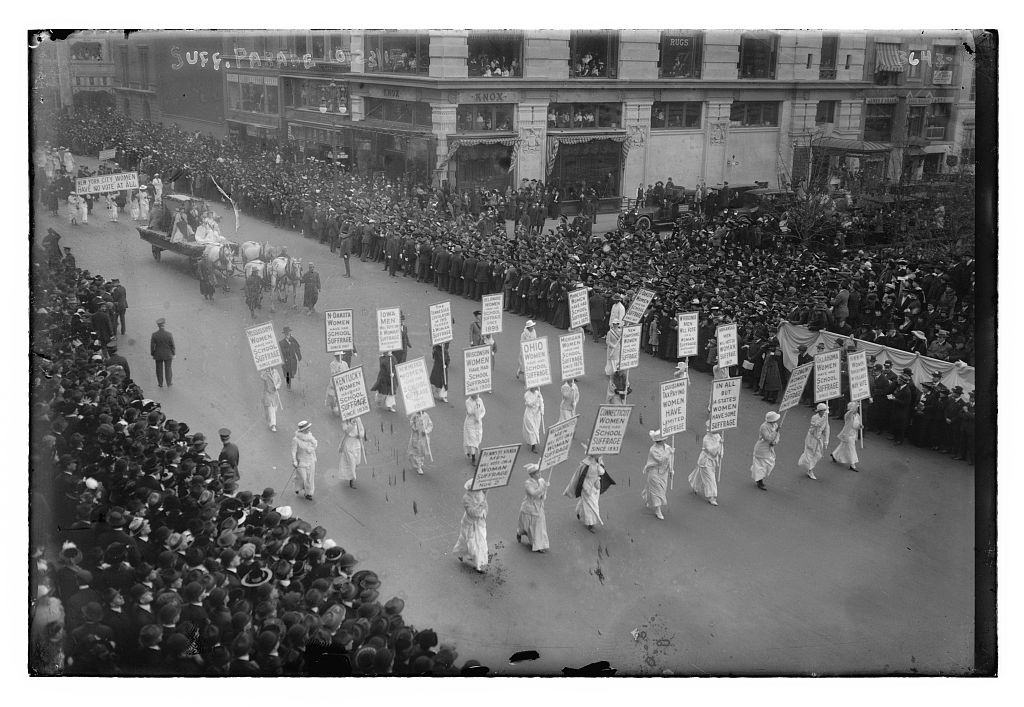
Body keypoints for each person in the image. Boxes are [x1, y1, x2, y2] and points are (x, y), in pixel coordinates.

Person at [563, 451, 612, 533]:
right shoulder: (586, 463)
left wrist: (600, 465)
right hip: (587, 486)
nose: (600, 454)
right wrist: (585, 488)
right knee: (592, 505)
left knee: (587, 502)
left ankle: (579, 511)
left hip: (596, 486)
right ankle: (590, 524)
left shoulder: (599, 460)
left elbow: (602, 472)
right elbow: (580, 475)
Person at [453, 479, 488, 573]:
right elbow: (471, 512)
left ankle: (478, 565)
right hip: (470, 523)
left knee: (480, 542)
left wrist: (484, 509)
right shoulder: (466, 498)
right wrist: (480, 506)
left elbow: (485, 506)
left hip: (480, 523)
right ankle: (462, 554)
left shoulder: (481, 493)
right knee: (468, 541)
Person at [641, 430, 674, 520]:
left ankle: (649, 499)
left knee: (662, 489)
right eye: (663, 439)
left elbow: (669, 460)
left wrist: (671, 469)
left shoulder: (667, 447)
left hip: (664, 473)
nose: (665, 440)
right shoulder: (653, 450)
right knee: (657, 491)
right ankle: (657, 509)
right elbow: (661, 460)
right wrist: (669, 453)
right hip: (654, 472)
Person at [516, 463, 549, 552]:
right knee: (525, 526)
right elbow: (533, 493)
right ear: (532, 475)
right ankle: (519, 532)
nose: (539, 474)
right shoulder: (528, 483)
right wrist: (543, 488)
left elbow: (543, 496)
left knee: (538, 527)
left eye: (539, 472)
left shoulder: (542, 481)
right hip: (529, 508)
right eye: (537, 473)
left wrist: (545, 490)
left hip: (539, 508)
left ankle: (539, 545)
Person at [688, 427, 722, 506]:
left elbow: (719, 450)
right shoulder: (706, 438)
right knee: (710, 479)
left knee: (699, 474)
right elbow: (711, 451)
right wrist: (719, 444)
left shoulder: (718, 436)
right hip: (706, 461)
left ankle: (694, 484)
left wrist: (721, 448)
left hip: (712, 461)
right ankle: (712, 497)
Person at [798, 403, 831, 480]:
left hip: (819, 439)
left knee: (818, 455)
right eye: (823, 411)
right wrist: (824, 417)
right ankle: (810, 470)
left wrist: (826, 441)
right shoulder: (814, 417)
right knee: (810, 453)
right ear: (819, 411)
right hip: (811, 438)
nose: (824, 412)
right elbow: (817, 424)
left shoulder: (825, 419)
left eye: (825, 411)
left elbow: (827, 430)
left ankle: (809, 467)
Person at [751, 411, 781, 490]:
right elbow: (767, 438)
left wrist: (775, 442)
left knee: (769, 463)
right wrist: (776, 431)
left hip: (770, 448)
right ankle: (759, 481)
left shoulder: (775, 425)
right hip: (762, 448)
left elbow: (777, 436)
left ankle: (759, 476)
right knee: (761, 465)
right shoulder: (763, 426)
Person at [831, 402, 863, 471]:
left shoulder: (857, 415)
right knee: (852, 448)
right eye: (856, 408)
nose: (857, 409)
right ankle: (852, 464)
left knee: (842, 446)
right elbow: (850, 413)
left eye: (857, 408)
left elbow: (858, 424)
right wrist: (853, 407)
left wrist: (860, 426)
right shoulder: (848, 415)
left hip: (854, 434)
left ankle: (834, 455)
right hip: (847, 434)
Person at [291, 420, 318, 500]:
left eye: (309, 428)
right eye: (307, 428)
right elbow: (293, 451)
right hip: (301, 461)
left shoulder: (310, 436)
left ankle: (308, 493)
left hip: (310, 460)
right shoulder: (296, 439)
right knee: (303, 477)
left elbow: (315, 444)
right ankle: (298, 487)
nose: (309, 429)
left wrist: (311, 449)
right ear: (302, 430)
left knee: (310, 477)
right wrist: (294, 461)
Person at [338, 417, 365, 489]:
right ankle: (352, 480)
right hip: (348, 443)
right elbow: (346, 431)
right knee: (351, 462)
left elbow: (362, 429)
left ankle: (351, 476)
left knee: (357, 462)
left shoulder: (358, 418)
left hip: (357, 443)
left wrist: (361, 435)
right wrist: (352, 424)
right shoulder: (345, 421)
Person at [150, 318, 175, 388]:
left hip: (158, 354)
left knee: (159, 369)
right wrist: (173, 353)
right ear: (164, 325)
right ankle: (169, 383)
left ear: (158, 326)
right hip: (168, 354)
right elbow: (172, 345)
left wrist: (152, 353)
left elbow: (152, 346)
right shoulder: (169, 334)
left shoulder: (154, 335)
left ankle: (160, 383)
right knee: (168, 368)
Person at [407, 410, 433, 475]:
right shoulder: (415, 415)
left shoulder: (426, 415)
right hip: (416, 436)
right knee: (417, 451)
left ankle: (420, 462)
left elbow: (430, 425)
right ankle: (419, 466)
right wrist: (415, 427)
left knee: (422, 451)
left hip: (423, 438)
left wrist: (426, 431)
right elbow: (411, 422)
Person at [463, 394, 485, 465]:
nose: (476, 395)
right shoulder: (468, 401)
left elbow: (483, 411)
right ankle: (473, 457)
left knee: (477, 439)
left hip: (478, 423)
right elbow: (469, 412)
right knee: (472, 440)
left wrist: (479, 417)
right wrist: (476, 406)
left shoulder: (480, 400)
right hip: (470, 423)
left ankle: (470, 451)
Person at [260, 366, 284, 432]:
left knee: (274, 408)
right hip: (268, 394)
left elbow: (279, 381)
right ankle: (273, 425)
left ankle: (270, 421)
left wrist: (277, 386)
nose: (270, 367)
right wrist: (266, 373)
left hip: (275, 394)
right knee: (271, 409)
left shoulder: (276, 372)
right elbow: (262, 378)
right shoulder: (264, 372)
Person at [522, 387, 545, 453]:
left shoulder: (538, 393)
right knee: (532, 429)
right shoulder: (527, 394)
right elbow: (530, 404)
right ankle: (533, 446)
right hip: (530, 414)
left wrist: (542, 410)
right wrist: (536, 398)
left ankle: (532, 442)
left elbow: (542, 402)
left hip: (537, 414)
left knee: (536, 429)